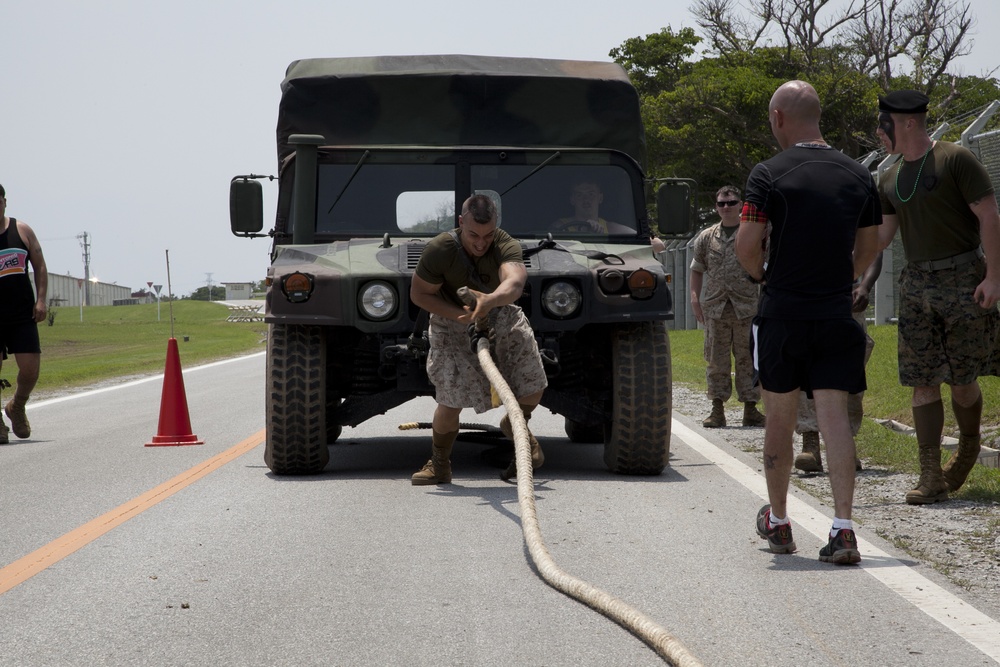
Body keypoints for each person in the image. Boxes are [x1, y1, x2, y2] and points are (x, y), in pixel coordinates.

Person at [735, 80, 880, 564]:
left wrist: (762, 275)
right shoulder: (859, 174)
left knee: (779, 416)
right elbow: (871, 243)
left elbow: (747, 244)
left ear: (778, 117)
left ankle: (778, 523)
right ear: (817, 117)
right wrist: (846, 277)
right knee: (834, 417)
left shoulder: (766, 174)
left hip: (783, 313)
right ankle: (843, 529)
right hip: (836, 313)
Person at [874, 89, 1000, 504]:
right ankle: (929, 474)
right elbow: (882, 237)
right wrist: (853, 274)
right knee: (921, 379)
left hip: (964, 278)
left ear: (908, 122)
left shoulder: (955, 159)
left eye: (885, 123)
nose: (880, 132)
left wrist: (994, 277)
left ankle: (966, 450)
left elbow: (989, 216)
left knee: (963, 381)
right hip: (917, 287)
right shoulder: (889, 176)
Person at [409, 194, 548, 484]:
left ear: (496, 225)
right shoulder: (441, 248)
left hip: (500, 314)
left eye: (487, 234)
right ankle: (440, 463)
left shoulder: (504, 243)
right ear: (461, 223)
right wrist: (460, 315)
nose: (481, 242)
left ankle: (518, 430)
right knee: (450, 401)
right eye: (473, 234)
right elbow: (419, 294)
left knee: (533, 387)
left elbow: (515, 281)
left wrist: (490, 300)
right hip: (452, 322)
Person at [795, 253, 883, 473]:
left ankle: (845, 444)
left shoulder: (852, 217)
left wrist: (865, 285)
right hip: (804, 295)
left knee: (849, 375)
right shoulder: (794, 218)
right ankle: (810, 443)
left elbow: (873, 248)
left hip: (847, 298)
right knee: (806, 371)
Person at [689, 185, 765, 429]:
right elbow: (697, 269)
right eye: (721, 203)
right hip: (716, 307)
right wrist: (694, 299)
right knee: (716, 359)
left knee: (748, 359)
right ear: (716, 207)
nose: (726, 207)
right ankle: (717, 409)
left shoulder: (753, 232)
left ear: (741, 205)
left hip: (747, 306)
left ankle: (751, 409)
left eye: (731, 202)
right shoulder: (707, 237)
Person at [0, 183, 48, 444]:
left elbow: (40, 266)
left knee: (30, 370)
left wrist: (40, 300)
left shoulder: (22, 231)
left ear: (5, 202)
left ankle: (16, 406)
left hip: (21, 313)